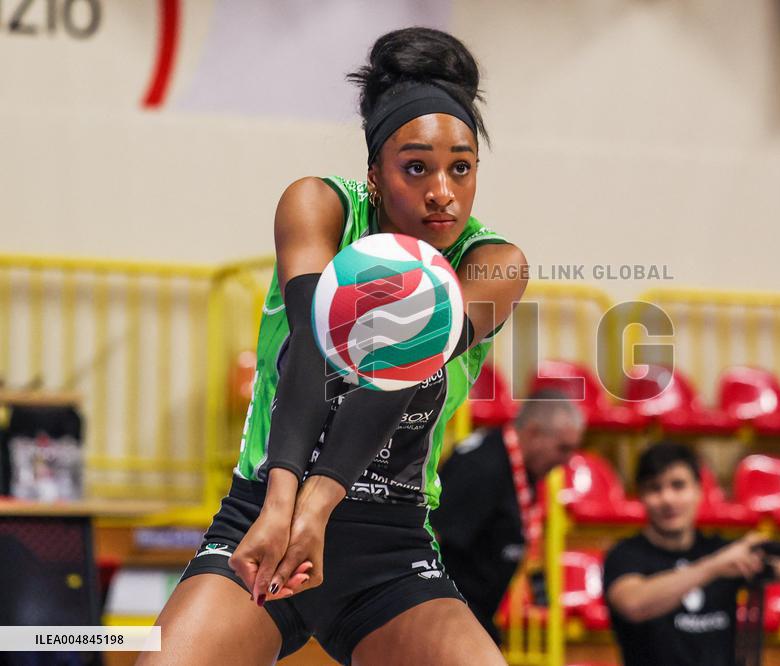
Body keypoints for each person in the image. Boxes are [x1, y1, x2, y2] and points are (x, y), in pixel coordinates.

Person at [143, 27, 528, 666]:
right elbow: (316, 352)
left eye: (462, 167)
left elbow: (396, 373)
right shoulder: (316, 207)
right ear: (374, 174)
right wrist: (283, 506)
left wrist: (318, 509)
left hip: (390, 544)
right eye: (416, 166)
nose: (442, 191)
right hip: (264, 510)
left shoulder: (493, 265)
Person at [603, 442, 780, 666]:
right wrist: (714, 567)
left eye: (678, 486)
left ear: (698, 490)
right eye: (655, 488)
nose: (668, 499)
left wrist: (764, 548)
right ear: (640, 495)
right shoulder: (625, 554)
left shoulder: (722, 550)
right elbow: (632, 604)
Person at [430, 389, 585, 642]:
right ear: (534, 432)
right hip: (448, 619)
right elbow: (433, 538)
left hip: (476, 614)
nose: (566, 461)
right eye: (563, 448)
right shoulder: (481, 467)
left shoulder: (521, 465)